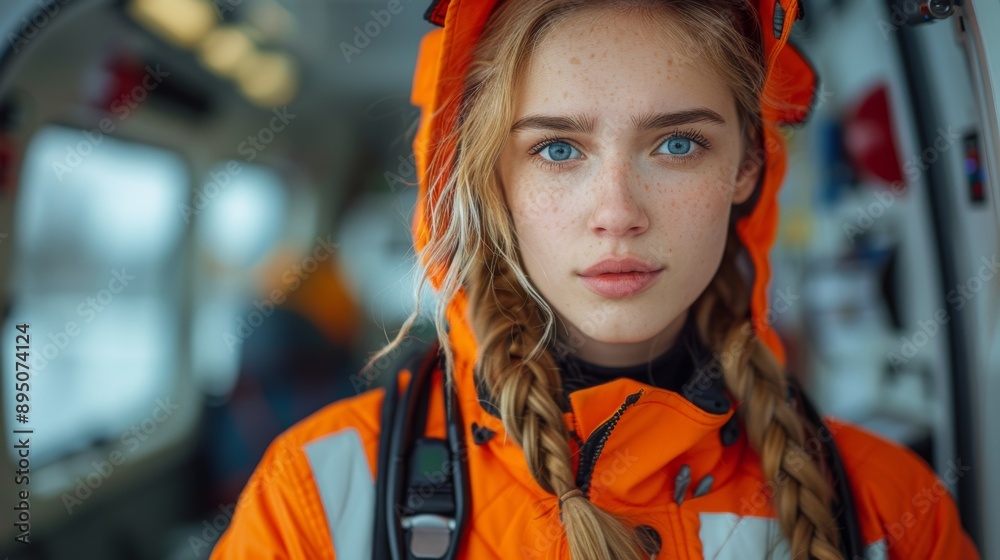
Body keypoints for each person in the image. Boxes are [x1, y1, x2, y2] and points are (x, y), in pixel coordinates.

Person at [209, 0, 980, 558]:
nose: (617, 213)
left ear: (748, 165)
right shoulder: (318, 499)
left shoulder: (888, 512)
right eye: (557, 150)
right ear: (489, 179)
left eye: (677, 145)